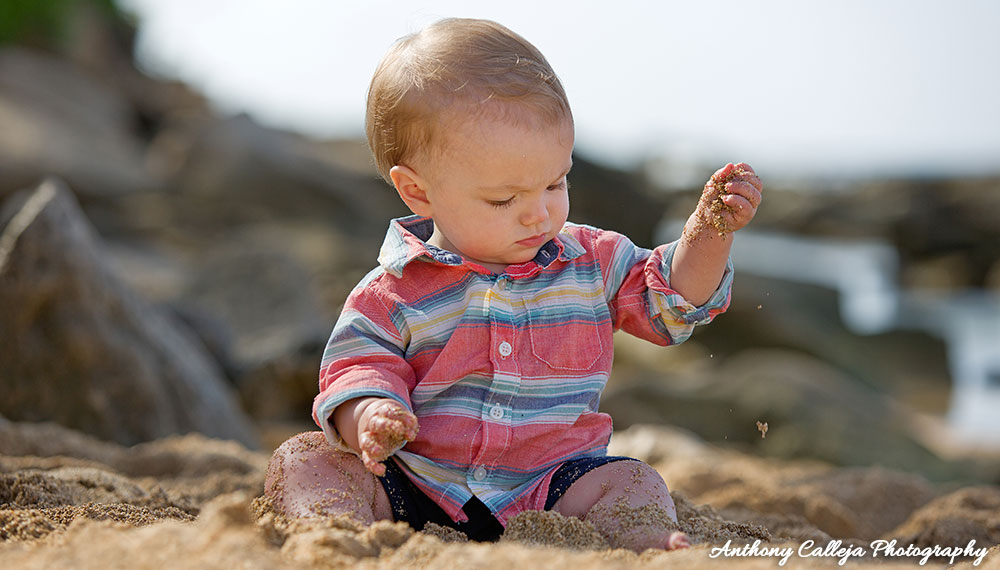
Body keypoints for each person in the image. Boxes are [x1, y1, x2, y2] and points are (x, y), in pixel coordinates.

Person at [264, 17, 762, 552]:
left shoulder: (591, 262)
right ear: (418, 192)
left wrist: (707, 238)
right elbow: (355, 369)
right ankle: (334, 537)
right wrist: (371, 413)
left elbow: (671, 304)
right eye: (504, 199)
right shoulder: (392, 292)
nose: (539, 213)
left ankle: (644, 542)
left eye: (555, 182)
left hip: (550, 487)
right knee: (303, 460)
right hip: (417, 485)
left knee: (635, 480)